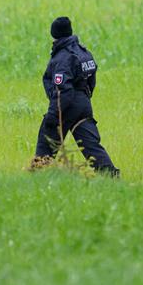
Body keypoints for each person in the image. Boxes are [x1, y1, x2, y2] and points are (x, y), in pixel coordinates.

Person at [32, 17, 119, 176]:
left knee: (47, 140)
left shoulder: (62, 58)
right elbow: (91, 80)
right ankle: (110, 175)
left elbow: (62, 91)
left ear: (55, 34)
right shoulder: (83, 52)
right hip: (84, 105)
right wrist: (84, 99)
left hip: (66, 106)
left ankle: (38, 175)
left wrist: (53, 115)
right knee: (91, 145)